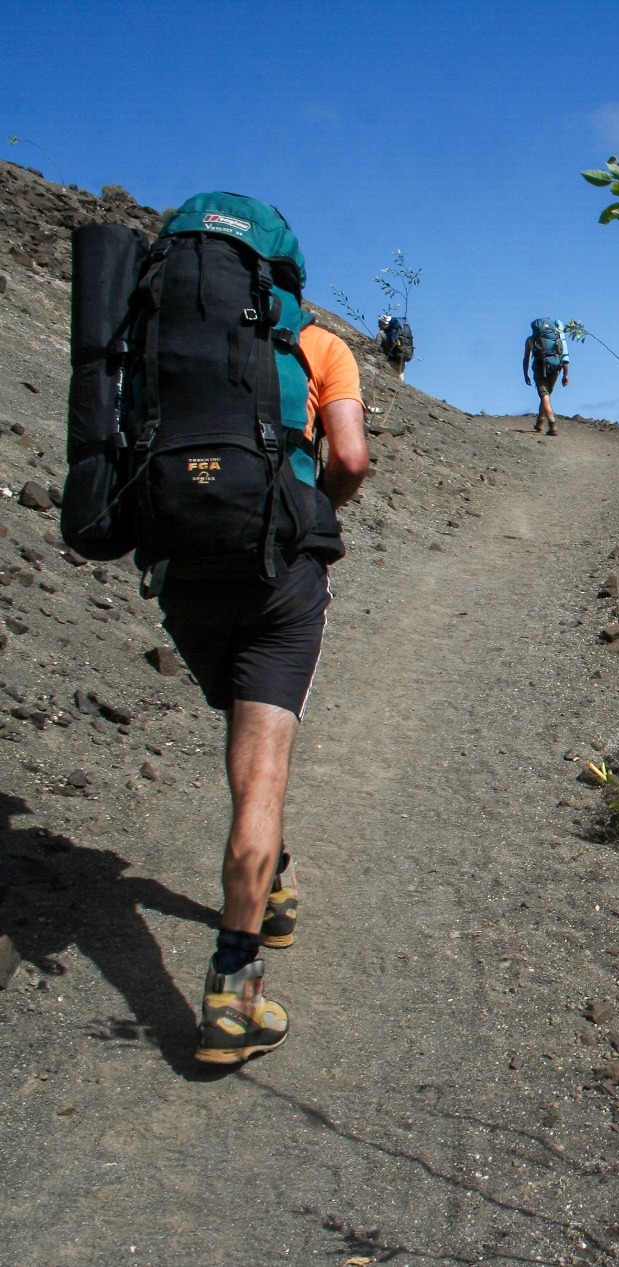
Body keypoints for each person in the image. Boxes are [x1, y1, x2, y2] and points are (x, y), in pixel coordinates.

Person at [163, 302, 369, 1065]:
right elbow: (348, 459)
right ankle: (232, 994)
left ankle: (273, 878)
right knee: (264, 765)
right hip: (279, 572)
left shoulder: (168, 337)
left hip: (182, 565)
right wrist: (308, 514)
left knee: (241, 734)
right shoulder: (317, 345)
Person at [523, 316, 568, 435]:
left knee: (544, 396)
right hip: (555, 368)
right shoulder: (555, 337)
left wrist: (526, 374)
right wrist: (565, 375)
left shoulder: (530, 341)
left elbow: (526, 359)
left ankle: (552, 424)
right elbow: (564, 355)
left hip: (540, 369)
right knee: (546, 395)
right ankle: (540, 423)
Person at [376, 313, 413, 382]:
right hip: (402, 355)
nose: (378, 325)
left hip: (394, 357)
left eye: (380, 323)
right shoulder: (398, 328)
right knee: (400, 377)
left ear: (383, 323)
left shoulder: (383, 333)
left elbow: (377, 345)